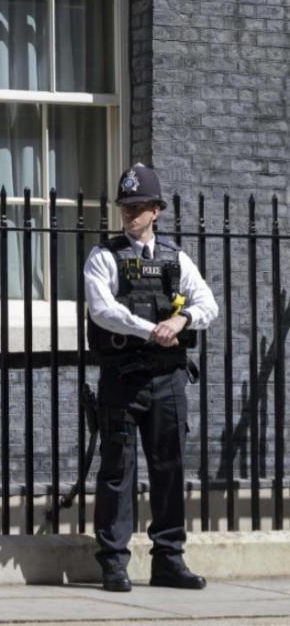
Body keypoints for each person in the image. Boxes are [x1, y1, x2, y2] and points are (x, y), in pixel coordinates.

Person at [84, 163, 218, 592]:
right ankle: (113, 561)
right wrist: (151, 330)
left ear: (156, 210)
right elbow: (103, 310)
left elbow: (208, 305)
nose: (130, 213)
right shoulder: (104, 256)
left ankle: (168, 559)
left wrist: (182, 322)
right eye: (125, 206)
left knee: (170, 469)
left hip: (167, 380)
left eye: (139, 206)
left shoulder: (176, 258)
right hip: (122, 378)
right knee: (117, 471)